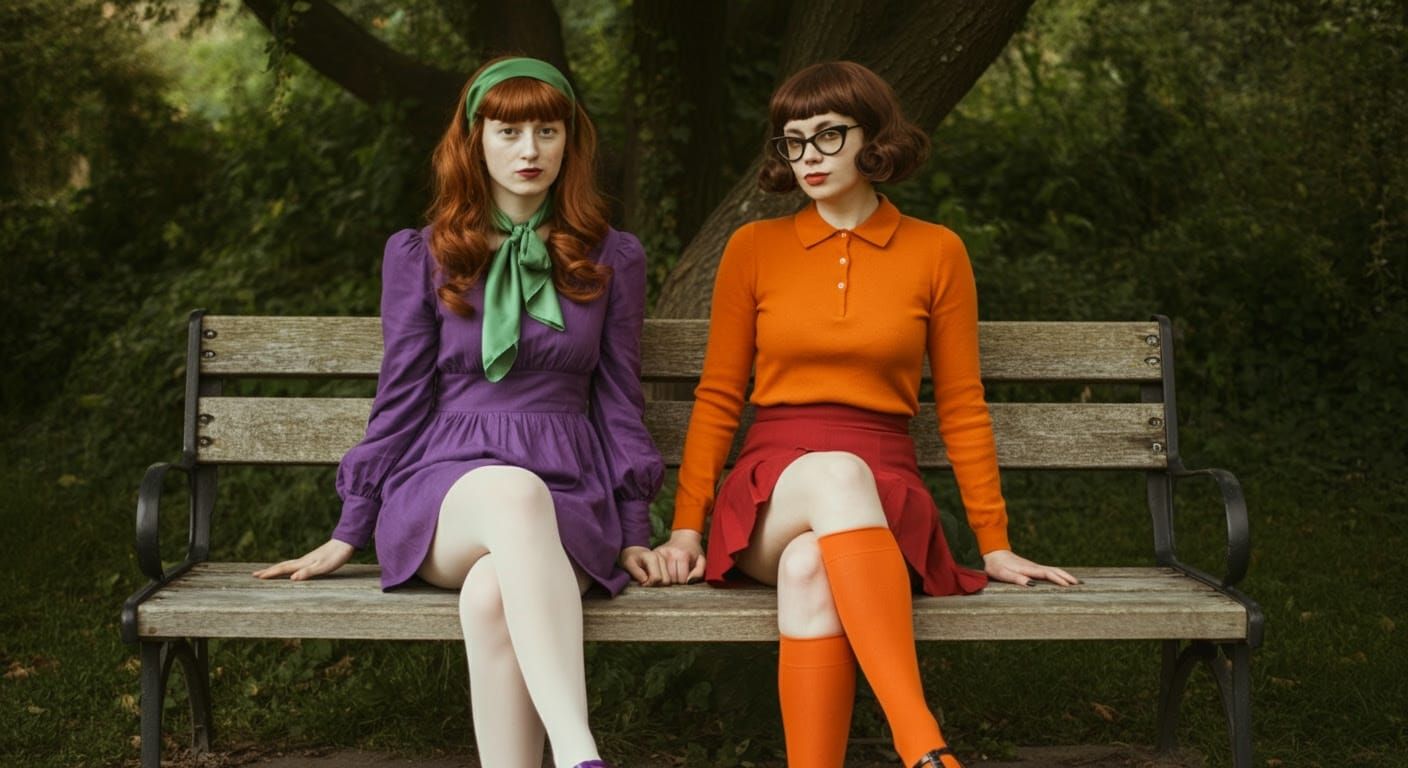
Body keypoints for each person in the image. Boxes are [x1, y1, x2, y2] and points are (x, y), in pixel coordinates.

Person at [653, 61, 1078, 768]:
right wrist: (687, 527)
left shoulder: (937, 251)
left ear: (873, 139)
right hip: (771, 493)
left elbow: (964, 403)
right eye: (793, 141)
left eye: (828, 135)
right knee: (833, 478)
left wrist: (994, 540)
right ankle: (922, 741)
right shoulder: (753, 249)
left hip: (884, 500)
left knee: (811, 571)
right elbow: (720, 396)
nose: (809, 157)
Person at [253, 57, 665, 768]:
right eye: (508, 131)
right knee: (511, 489)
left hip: (569, 489)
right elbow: (403, 393)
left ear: (572, 142)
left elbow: (619, 396)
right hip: (446, 486)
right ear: (474, 141)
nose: (529, 151)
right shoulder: (422, 254)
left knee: (491, 598)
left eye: (547, 130)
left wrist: (633, 526)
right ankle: (579, 751)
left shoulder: (611, 257)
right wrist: (351, 525)